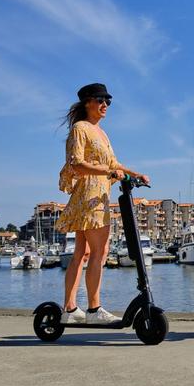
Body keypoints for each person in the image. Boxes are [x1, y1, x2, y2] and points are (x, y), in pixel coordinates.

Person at [54, 83, 150, 324]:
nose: (105, 104)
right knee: (100, 251)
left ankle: (69, 309)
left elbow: (114, 163)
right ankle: (94, 310)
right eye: (100, 100)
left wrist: (135, 174)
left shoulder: (102, 133)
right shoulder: (81, 128)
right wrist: (108, 172)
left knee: (83, 252)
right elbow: (76, 164)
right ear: (87, 102)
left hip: (100, 195)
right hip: (89, 195)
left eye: (108, 101)